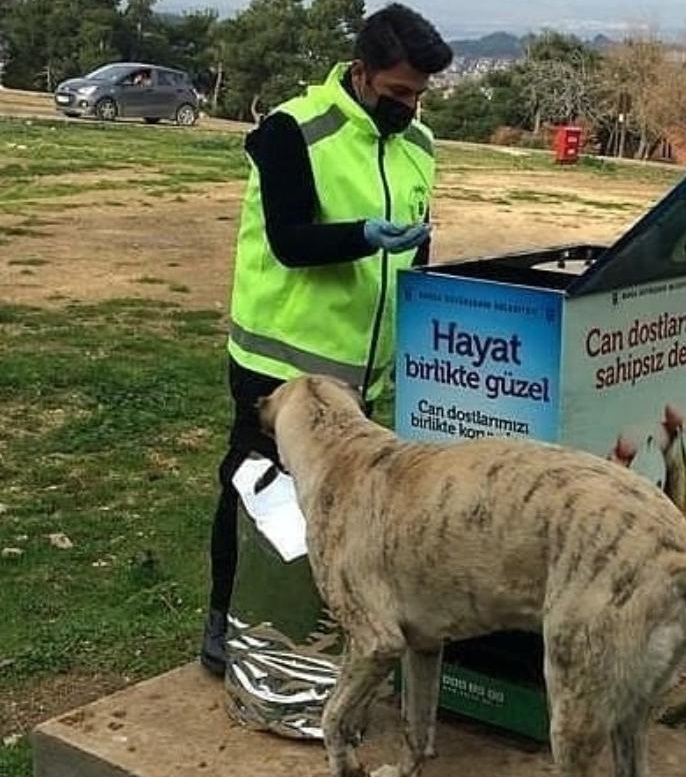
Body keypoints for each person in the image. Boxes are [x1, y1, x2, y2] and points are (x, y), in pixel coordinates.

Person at [199, 3, 454, 677]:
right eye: (399, 92)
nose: (411, 107)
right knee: (259, 498)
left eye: (421, 96)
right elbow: (287, 240)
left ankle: (312, 634)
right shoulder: (291, 131)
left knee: (341, 515)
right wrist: (361, 235)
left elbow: (417, 250)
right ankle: (228, 621)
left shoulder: (418, 146)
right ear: (362, 72)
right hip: (278, 368)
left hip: (358, 376)